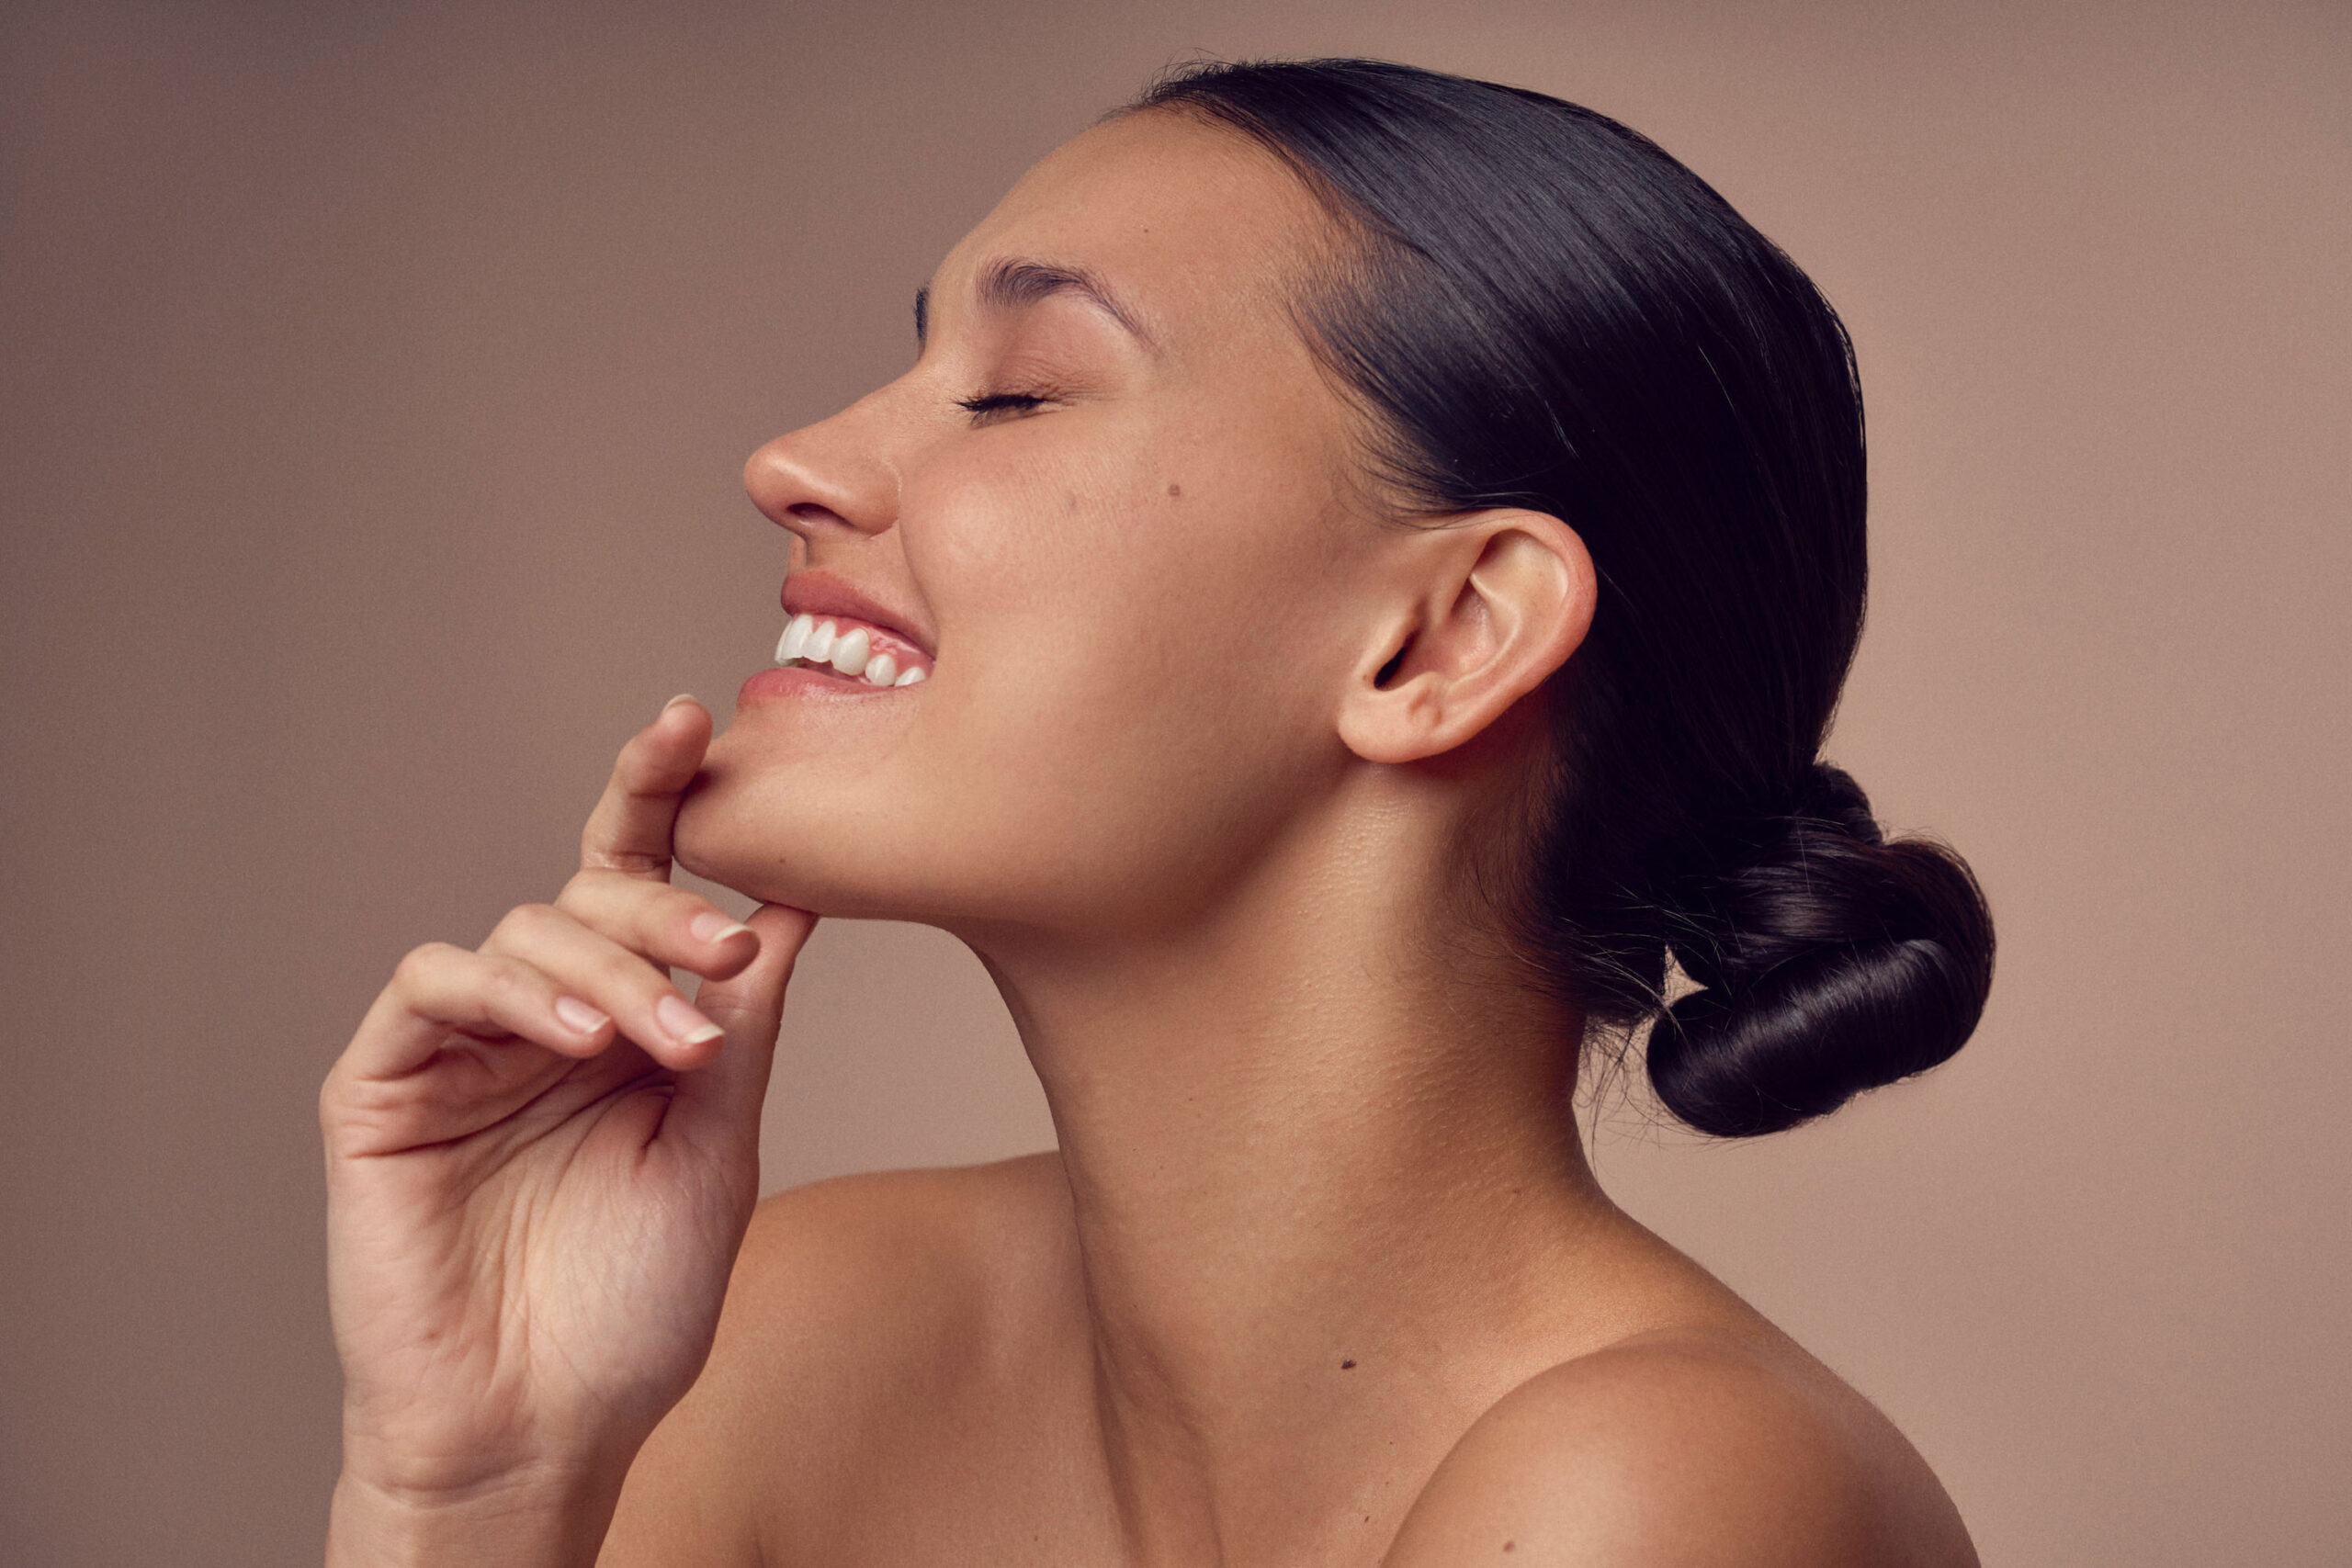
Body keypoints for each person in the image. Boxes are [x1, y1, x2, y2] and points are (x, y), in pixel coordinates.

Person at [320, 58, 1995, 1566]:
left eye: (1021, 390)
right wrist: (471, 1492)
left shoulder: (1668, 1495)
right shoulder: (797, 1335)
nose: (793, 460)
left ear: (1443, 636)